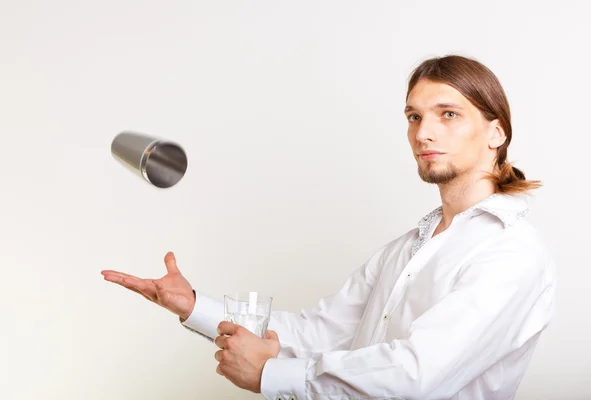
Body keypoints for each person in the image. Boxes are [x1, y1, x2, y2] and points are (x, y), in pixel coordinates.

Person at [101, 54, 556, 400]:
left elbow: (416, 375)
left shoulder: (510, 253)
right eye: (414, 117)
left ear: (496, 133)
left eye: (448, 114)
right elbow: (316, 332)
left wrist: (270, 374)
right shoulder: (408, 249)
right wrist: (195, 305)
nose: (423, 133)